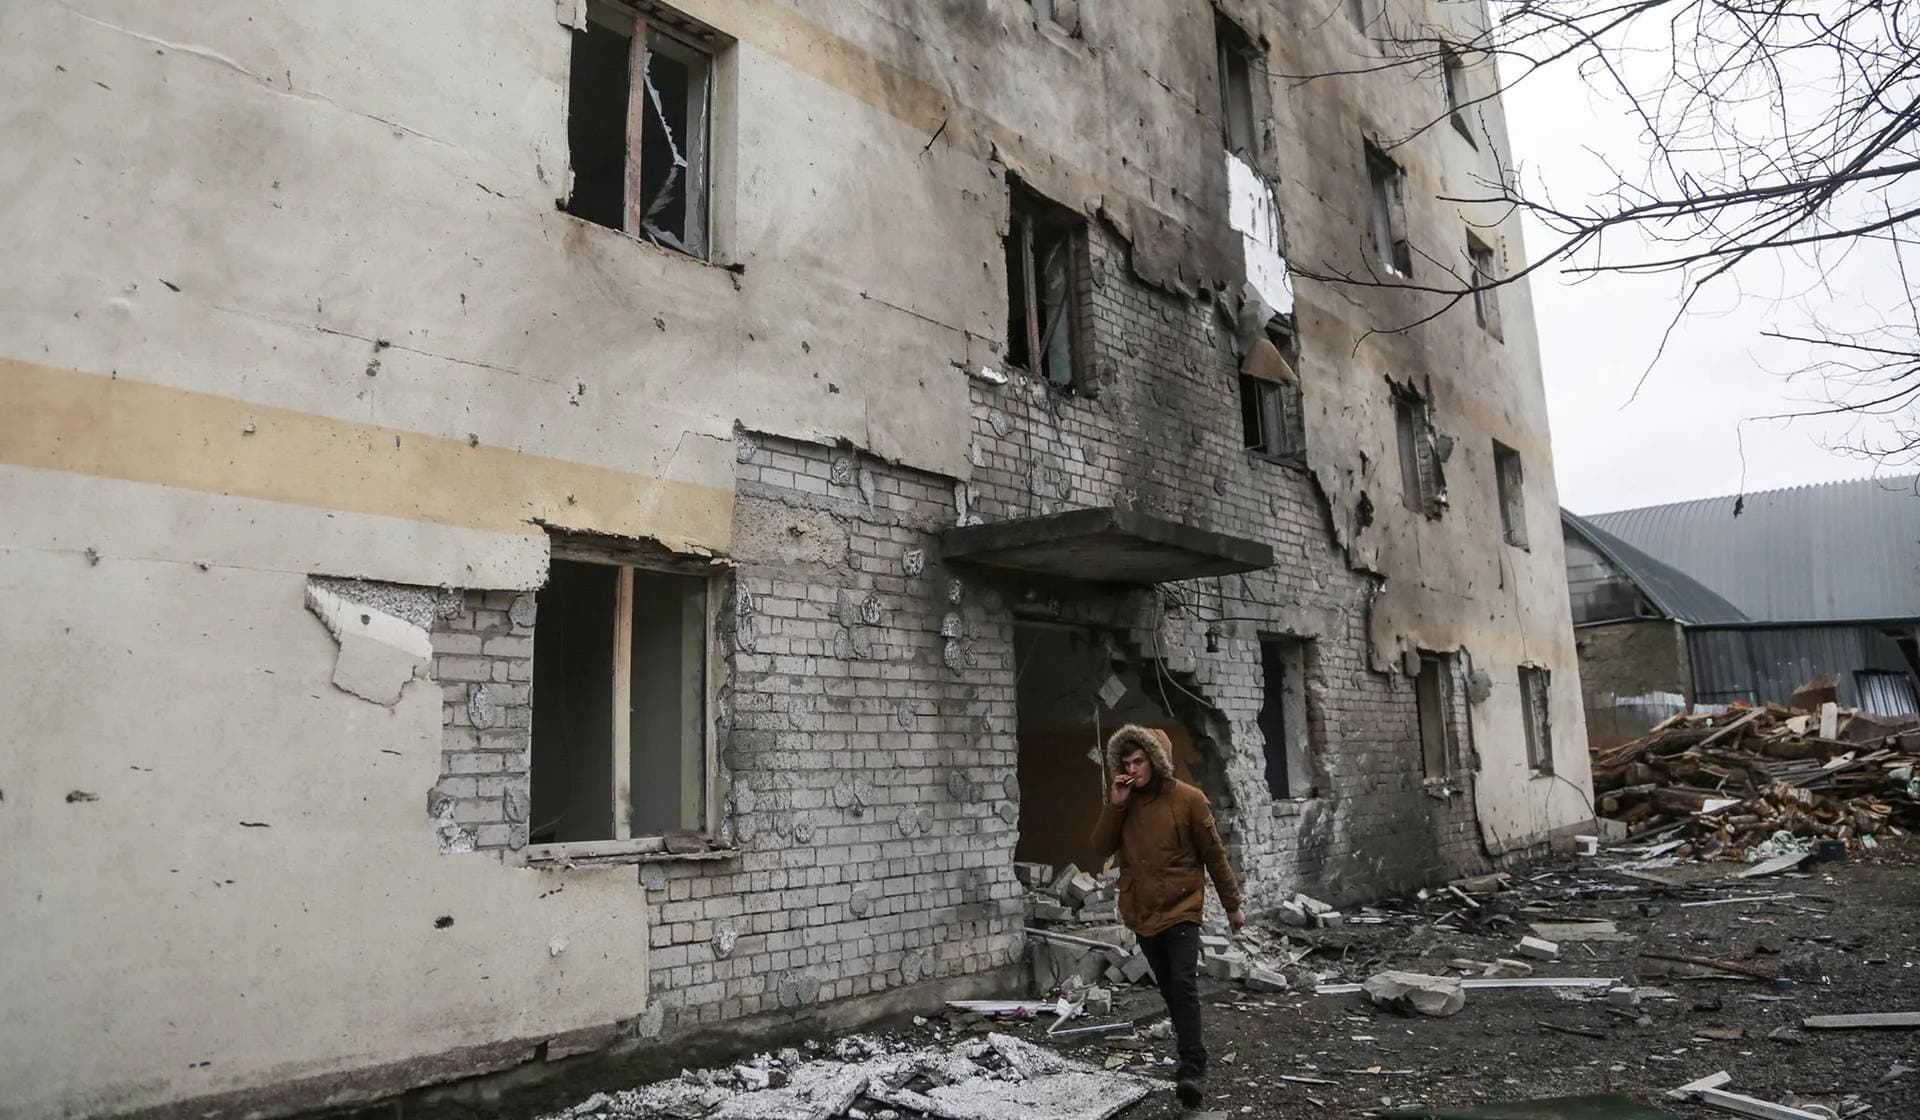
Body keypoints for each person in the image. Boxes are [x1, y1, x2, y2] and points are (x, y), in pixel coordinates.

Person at [1091, 724, 1245, 1110]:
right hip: (1142, 911)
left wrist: (1233, 906)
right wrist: (1115, 802)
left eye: (1139, 761)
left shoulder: (1189, 799)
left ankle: (1192, 1067)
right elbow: (1099, 847)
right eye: (1126, 762)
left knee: (1183, 983)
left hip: (1181, 908)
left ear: (1156, 762)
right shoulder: (1125, 803)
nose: (1132, 769)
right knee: (1169, 989)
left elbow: (1215, 856)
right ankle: (1187, 1053)